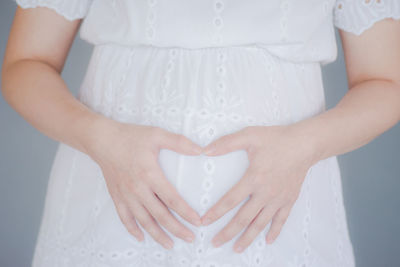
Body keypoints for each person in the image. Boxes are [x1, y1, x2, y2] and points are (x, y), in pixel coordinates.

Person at [2, 0, 400, 266]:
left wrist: (304, 146)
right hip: (111, 202)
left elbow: (385, 83)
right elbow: (26, 63)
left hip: (281, 217)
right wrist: (101, 140)